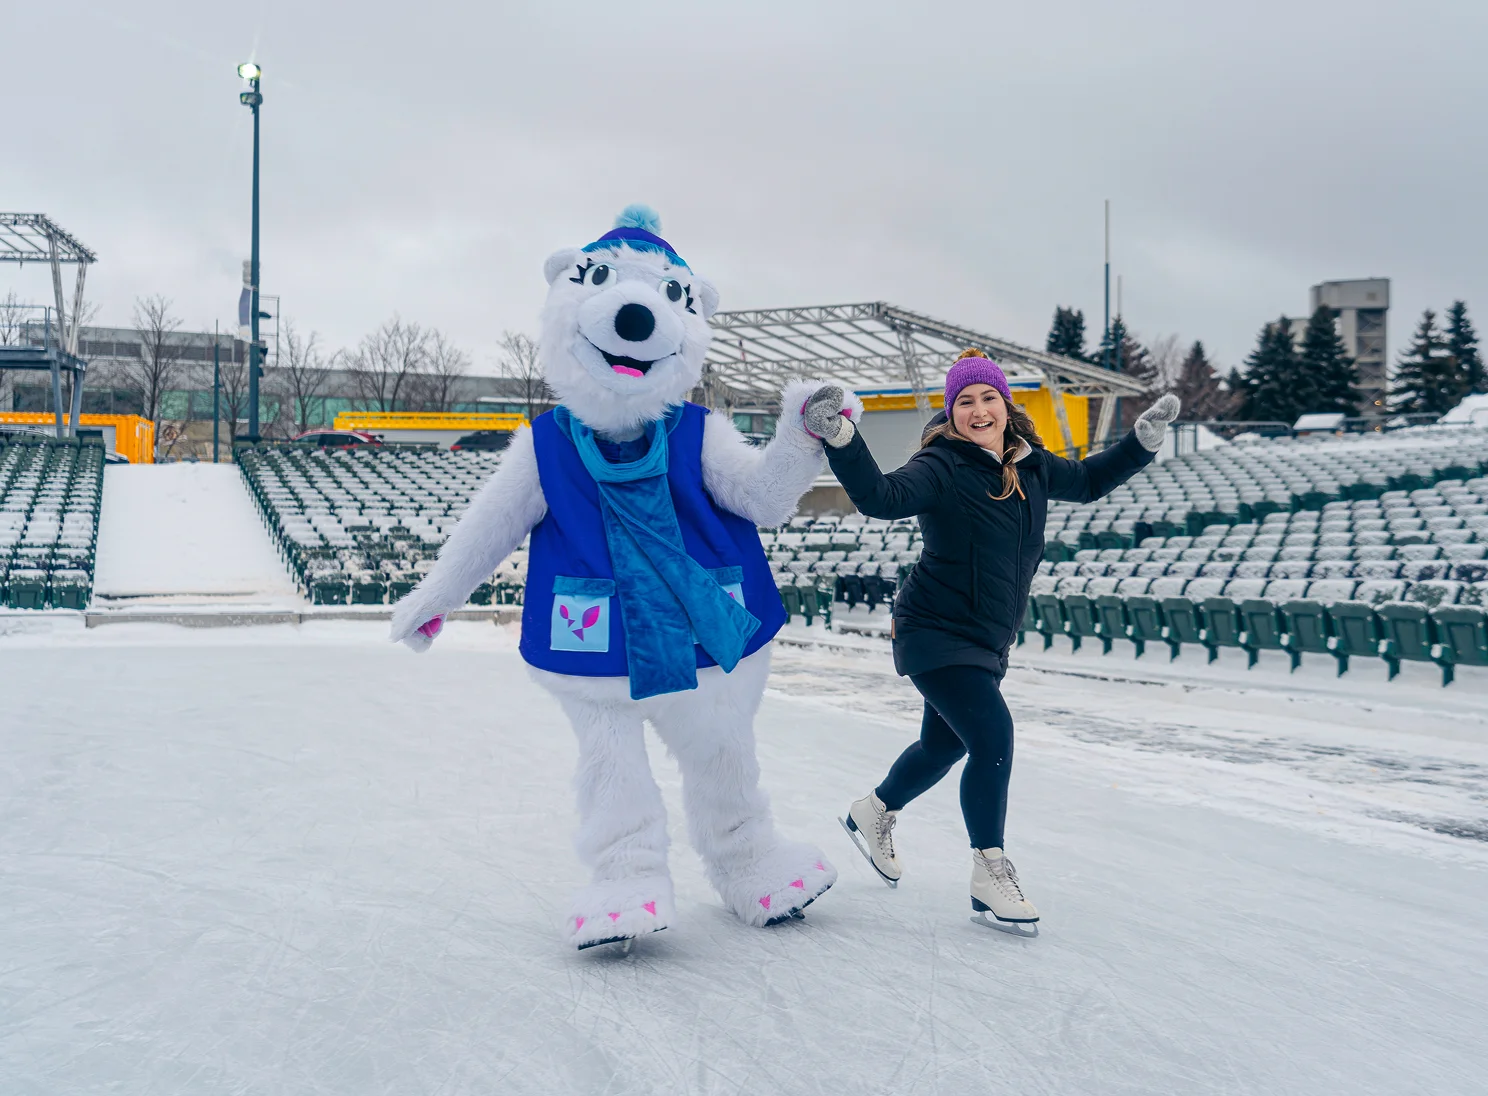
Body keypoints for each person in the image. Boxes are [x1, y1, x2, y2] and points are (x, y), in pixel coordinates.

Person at [799, 349, 1179, 932]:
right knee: (992, 736)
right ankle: (989, 872)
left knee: (945, 746)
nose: (978, 410)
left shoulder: (1033, 466)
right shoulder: (942, 466)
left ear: (1005, 405)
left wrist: (1142, 443)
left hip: (984, 639)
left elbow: (1092, 481)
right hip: (933, 629)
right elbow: (881, 498)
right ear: (952, 415)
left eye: (987, 398)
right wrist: (844, 439)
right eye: (965, 402)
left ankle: (873, 811)